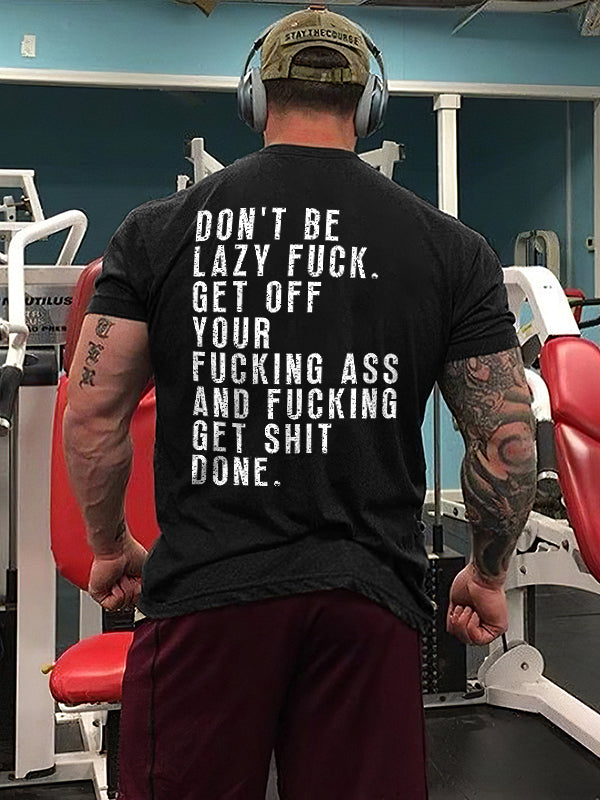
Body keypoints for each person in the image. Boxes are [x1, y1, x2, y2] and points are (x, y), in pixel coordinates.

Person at [63, 7, 537, 799]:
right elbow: (505, 442)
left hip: (207, 597)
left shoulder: (154, 232)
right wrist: (487, 571)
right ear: (371, 101)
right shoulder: (452, 249)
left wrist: (109, 544)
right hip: (368, 601)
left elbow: (92, 415)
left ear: (254, 96)